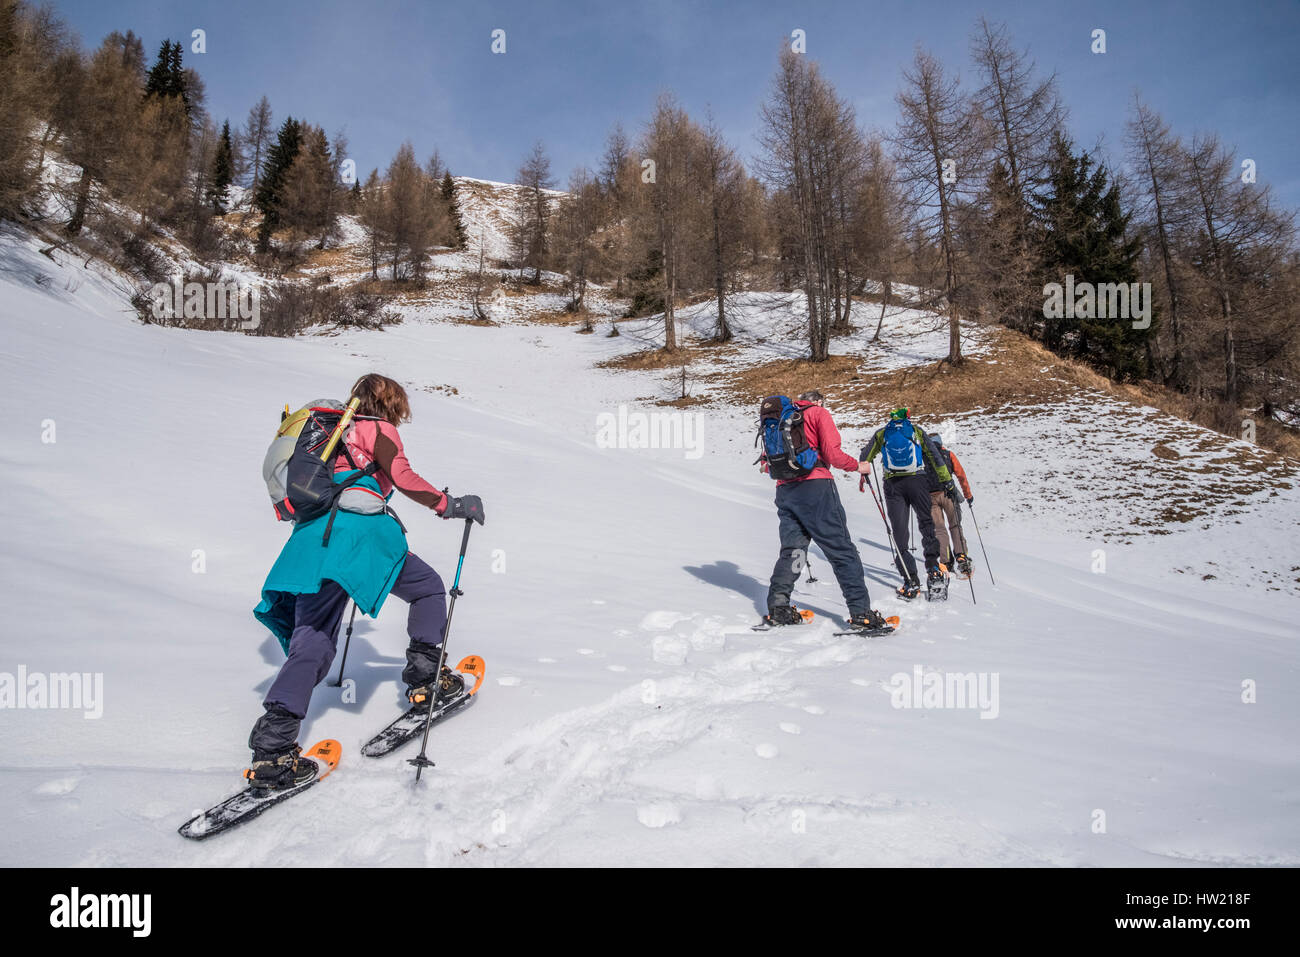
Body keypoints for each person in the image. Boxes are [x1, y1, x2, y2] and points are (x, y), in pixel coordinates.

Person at [247, 373, 485, 789]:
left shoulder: (327, 436)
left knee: (313, 642)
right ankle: (427, 682)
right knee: (428, 587)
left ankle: (272, 752)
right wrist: (451, 505)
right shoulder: (376, 428)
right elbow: (404, 476)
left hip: (309, 545)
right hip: (357, 539)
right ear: (390, 403)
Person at [763, 390, 890, 632]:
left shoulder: (779, 420)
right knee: (841, 550)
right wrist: (859, 466)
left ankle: (778, 607)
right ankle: (861, 613)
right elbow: (833, 454)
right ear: (818, 401)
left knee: (793, 552)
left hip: (785, 492)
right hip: (816, 488)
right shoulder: (818, 413)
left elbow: (765, 464)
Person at [859, 408, 956, 599]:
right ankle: (933, 570)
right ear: (907, 418)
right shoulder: (916, 430)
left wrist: (864, 474)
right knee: (927, 525)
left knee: (899, 533)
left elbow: (865, 456)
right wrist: (947, 480)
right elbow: (935, 457)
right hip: (918, 482)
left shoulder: (882, 433)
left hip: (893, 485)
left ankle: (910, 579)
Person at [925, 434, 974, 577]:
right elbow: (961, 475)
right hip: (948, 494)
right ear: (940, 443)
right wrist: (968, 495)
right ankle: (961, 555)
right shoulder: (948, 454)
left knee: (939, 529)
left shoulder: (923, 457)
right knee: (955, 525)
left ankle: (946, 561)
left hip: (930, 497)